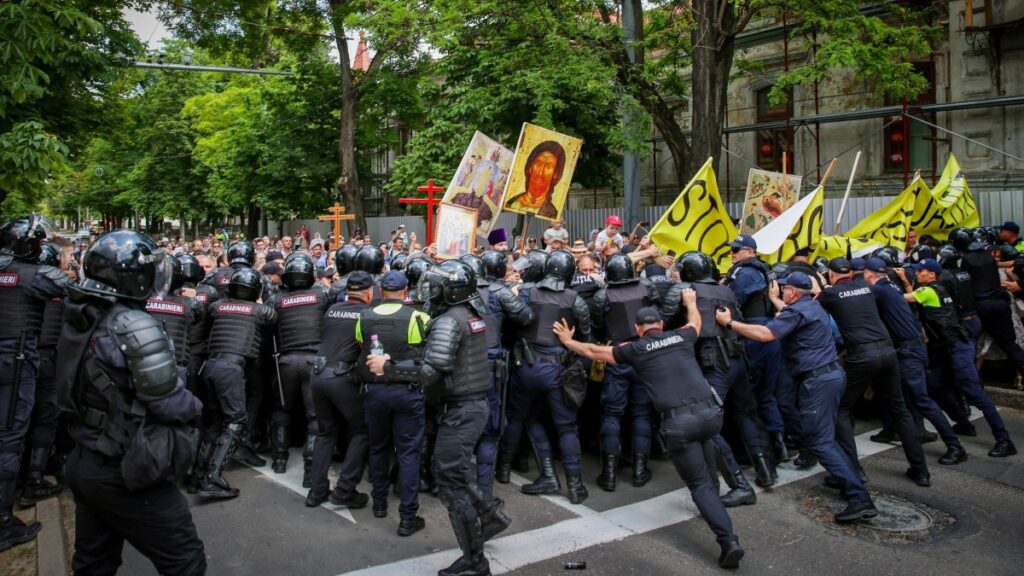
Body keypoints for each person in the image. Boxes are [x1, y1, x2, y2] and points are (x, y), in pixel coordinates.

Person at [56, 230, 206, 574]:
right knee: (185, 560)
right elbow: (167, 402)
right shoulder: (134, 325)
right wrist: (194, 405)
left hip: (85, 457)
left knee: (94, 562)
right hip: (126, 465)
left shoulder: (84, 313)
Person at [553, 300, 745, 569]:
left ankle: (729, 542)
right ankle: (717, 509)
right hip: (711, 415)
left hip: (679, 425)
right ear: (661, 325)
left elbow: (594, 351)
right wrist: (690, 302)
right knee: (707, 453)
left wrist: (567, 340)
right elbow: (697, 323)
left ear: (637, 328)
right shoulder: (682, 335)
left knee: (699, 484)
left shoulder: (636, 349)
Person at [369, 260, 509, 576]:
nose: (430, 292)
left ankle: (475, 559)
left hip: (461, 409)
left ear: (451, 289)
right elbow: (444, 360)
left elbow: (431, 373)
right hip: (469, 405)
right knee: (454, 473)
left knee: (450, 482)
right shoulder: (471, 314)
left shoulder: (449, 321)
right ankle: (487, 519)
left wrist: (387, 368)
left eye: (435, 287)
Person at [715, 271, 878, 523]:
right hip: (832, 376)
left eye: (783, 289)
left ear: (792, 292)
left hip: (818, 381)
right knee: (830, 434)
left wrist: (728, 322)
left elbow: (765, 335)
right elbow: (793, 314)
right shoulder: (812, 306)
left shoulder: (797, 311)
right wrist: (777, 302)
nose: (780, 291)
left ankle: (859, 498)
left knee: (820, 442)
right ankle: (849, 476)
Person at [665, 252, 775, 499]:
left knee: (706, 423)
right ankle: (765, 469)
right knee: (746, 415)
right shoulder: (726, 290)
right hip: (736, 357)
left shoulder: (686, 289)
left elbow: (664, 320)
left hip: (712, 360)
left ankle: (738, 483)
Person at [817, 257, 930, 487]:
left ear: (830, 275)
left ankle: (853, 471)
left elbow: (813, 309)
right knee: (900, 410)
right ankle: (921, 471)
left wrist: (817, 288)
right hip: (888, 351)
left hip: (861, 355)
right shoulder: (868, 288)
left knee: (842, 410)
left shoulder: (830, 294)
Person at [896, 259, 1017, 457]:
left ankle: (1004, 440)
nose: (917, 274)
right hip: (950, 347)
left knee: (975, 394)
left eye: (921, 271)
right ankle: (962, 422)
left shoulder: (928, 291)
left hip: (957, 348)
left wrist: (894, 281)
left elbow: (901, 299)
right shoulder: (938, 288)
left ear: (932, 274)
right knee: (934, 384)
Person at [0, 217, 71, 551]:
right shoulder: (31, 276)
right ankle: (2, 522)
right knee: (11, 436)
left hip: (17, 358)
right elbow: (68, 286)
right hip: (14, 361)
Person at [499, 250, 592, 504]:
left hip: (527, 367)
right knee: (566, 428)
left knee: (520, 418)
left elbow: (513, 323)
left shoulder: (527, 293)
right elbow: (586, 338)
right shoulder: (576, 301)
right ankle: (574, 486)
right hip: (557, 370)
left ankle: (505, 470)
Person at [862, 257, 966, 465]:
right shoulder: (890, 285)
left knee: (921, 399)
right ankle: (895, 429)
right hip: (906, 347)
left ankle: (955, 446)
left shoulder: (879, 290)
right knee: (894, 393)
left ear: (869, 275)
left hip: (908, 350)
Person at [356, 271, 430, 536]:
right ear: (405, 290)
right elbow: (424, 352)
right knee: (408, 452)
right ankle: (408, 517)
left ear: (380, 290)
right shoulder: (418, 317)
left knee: (378, 449)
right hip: (407, 392)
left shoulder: (364, 315)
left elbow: (361, 344)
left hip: (375, 391)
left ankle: (379, 504)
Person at [193, 268, 277, 499]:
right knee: (236, 421)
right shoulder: (262, 311)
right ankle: (213, 477)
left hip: (209, 366)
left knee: (214, 421)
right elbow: (273, 319)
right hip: (231, 369)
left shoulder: (216, 307)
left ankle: (198, 473)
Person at [461, 253, 533, 504]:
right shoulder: (498, 291)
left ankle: (462, 491)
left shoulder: (453, 290)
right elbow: (525, 317)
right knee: (490, 431)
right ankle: (484, 494)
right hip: (490, 366)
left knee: (460, 429)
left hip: (462, 366)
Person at [590, 253, 660, 491]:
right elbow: (659, 316)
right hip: (644, 355)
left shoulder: (602, 295)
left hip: (617, 355)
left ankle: (609, 474)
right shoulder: (646, 287)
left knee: (612, 414)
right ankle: (640, 471)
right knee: (642, 413)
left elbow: (597, 326)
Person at [306, 271, 373, 510]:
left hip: (317, 374)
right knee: (363, 430)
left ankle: (316, 491)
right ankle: (345, 489)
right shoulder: (366, 313)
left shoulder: (333, 309)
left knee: (325, 433)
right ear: (369, 293)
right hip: (341, 377)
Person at [723, 234, 789, 464]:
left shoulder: (746, 272)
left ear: (750, 252)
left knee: (749, 397)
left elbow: (733, 300)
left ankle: (762, 451)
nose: (732, 253)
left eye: (737, 250)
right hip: (766, 332)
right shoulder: (761, 269)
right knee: (766, 395)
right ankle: (778, 444)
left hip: (754, 333)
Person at [267, 253, 330, 485]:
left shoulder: (276, 300)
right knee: (314, 415)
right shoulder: (321, 295)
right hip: (313, 361)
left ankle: (279, 459)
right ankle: (310, 468)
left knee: (282, 410)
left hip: (286, 362)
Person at [17, 244, 70, 508]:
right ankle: (33, 479)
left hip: (23, 357)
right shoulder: (60, 290)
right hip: (45, 359)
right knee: (44, 418)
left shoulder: (17, 283)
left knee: (18, 419)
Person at [503, 140, 566, 219]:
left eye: (548, 167)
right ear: (530, 168)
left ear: (555, 174)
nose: (540, 172)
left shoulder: (551, 213)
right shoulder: (511, 203)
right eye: (538, 164)